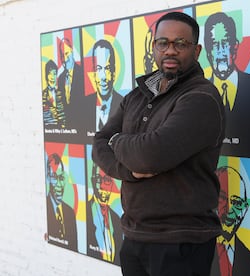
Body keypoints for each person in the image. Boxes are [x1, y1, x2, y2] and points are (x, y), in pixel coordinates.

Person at [92, 12, 225, 276]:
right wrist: (128, 171)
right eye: (162, 43)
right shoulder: (137, 95)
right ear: (154, 47)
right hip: (135, 234)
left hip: (181, 242)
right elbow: (99, 143)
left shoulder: (201, 97)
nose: (170, 51)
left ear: (196, 50)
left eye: (180, 44)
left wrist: (118, 140)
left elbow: (150, 155)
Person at [204, 12, 250, 159]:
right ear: (207, 52)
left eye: (225, 43)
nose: (220, 52)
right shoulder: (199, 90)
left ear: (234, 47)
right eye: (214, 45)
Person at [211, 166, 250, 276]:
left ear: (245, 210)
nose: (229, 208)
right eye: (222, 198)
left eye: (237, 203)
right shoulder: (193, 248)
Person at [85, 39, 123, 136]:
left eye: (107, 68)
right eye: (98, 68)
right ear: (93, 73)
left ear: (114, 73)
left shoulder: (124, 104)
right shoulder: (85, 104)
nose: (103, 77)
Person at [86, 162, 123, 265]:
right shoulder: (84, 214)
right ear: (92, 181)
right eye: (98, 179)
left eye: (107, 180)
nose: (102, 186)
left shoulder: (117, 219)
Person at [45, 153, 78, 252]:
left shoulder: (70, 212)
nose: (59, 185)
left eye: (61, 178)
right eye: (54, 177)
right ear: (48, 178)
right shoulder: (45, 210)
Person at [57, 37, 84, 128]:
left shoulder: (83, 74)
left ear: (72, 52)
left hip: (82, 127)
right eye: (62, 55)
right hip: (67, 130)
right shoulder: (60, 79)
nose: (65, 58)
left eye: (67, 53)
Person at [42, 59, 66, 127]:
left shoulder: (61, 94)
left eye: (54, 73)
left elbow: (63, 116)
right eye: (50, 73)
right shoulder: (42, 95)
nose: (52, 77)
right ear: (46, 76)